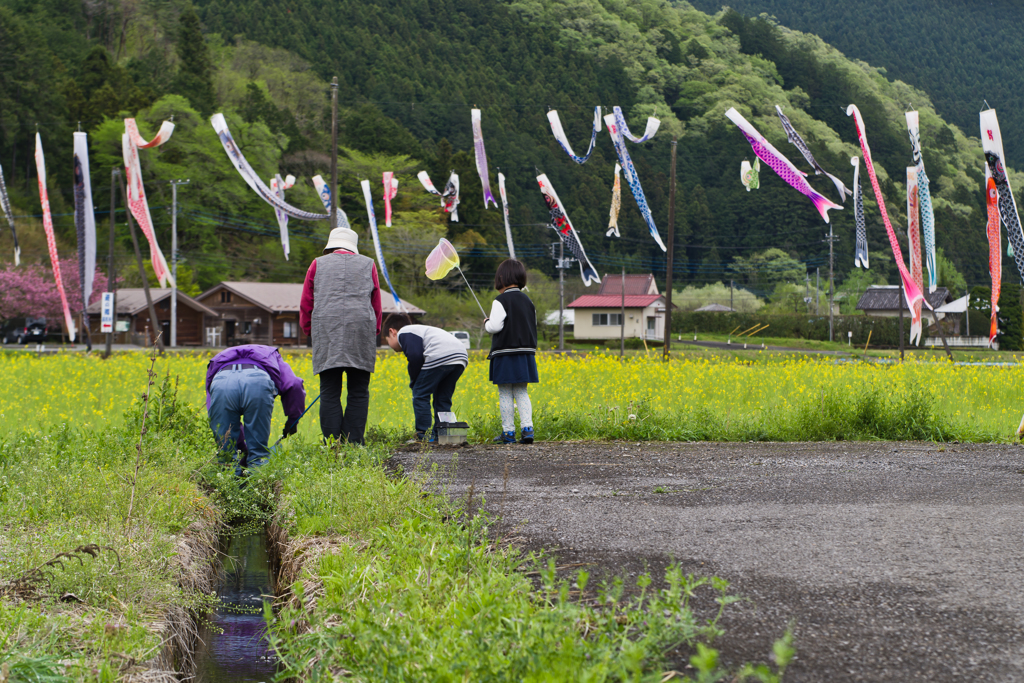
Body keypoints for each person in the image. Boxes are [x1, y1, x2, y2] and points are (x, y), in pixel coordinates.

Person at [300, 226, 381, 445]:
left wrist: (310, 331)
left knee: (329, 391)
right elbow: (376, 303)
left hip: (326, 330)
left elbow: (307, 302)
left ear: (331, 245)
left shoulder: (317, 264)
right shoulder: (368, 264)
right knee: (358, 391)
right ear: (353, 247)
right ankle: (354, 443)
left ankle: (332, 444)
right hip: (361, 331)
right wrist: (373, 333)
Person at [205, 344, 306, 477]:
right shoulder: (271, 354)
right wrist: (293, 420)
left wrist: (241, 448)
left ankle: (229, 490)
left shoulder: (219, 359)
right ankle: (258, 490)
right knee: (258, 455)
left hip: (222, 381)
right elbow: (294, 384)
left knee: (227, 455)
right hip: (257, 380)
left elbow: (215, 413)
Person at [384, 313, 469, 442]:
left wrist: (415, 382)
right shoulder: (421, 330)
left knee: (420, 394)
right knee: (443, 398)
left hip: (440, 355)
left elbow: (415, 357)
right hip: (460, 356)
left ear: (392, 332)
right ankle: (446, 435)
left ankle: (424, 436)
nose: (390, 345)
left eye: (387, 340)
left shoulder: (404, 332)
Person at [484, 258, 538, 444]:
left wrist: (486, 323)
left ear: (501, 278)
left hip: (505, 354)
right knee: (522, 392)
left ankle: (508, 432)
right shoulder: (528, 301)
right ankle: (527, 429)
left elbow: (495, 327)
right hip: (525, 353)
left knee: (505, 393)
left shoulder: (500, 300)